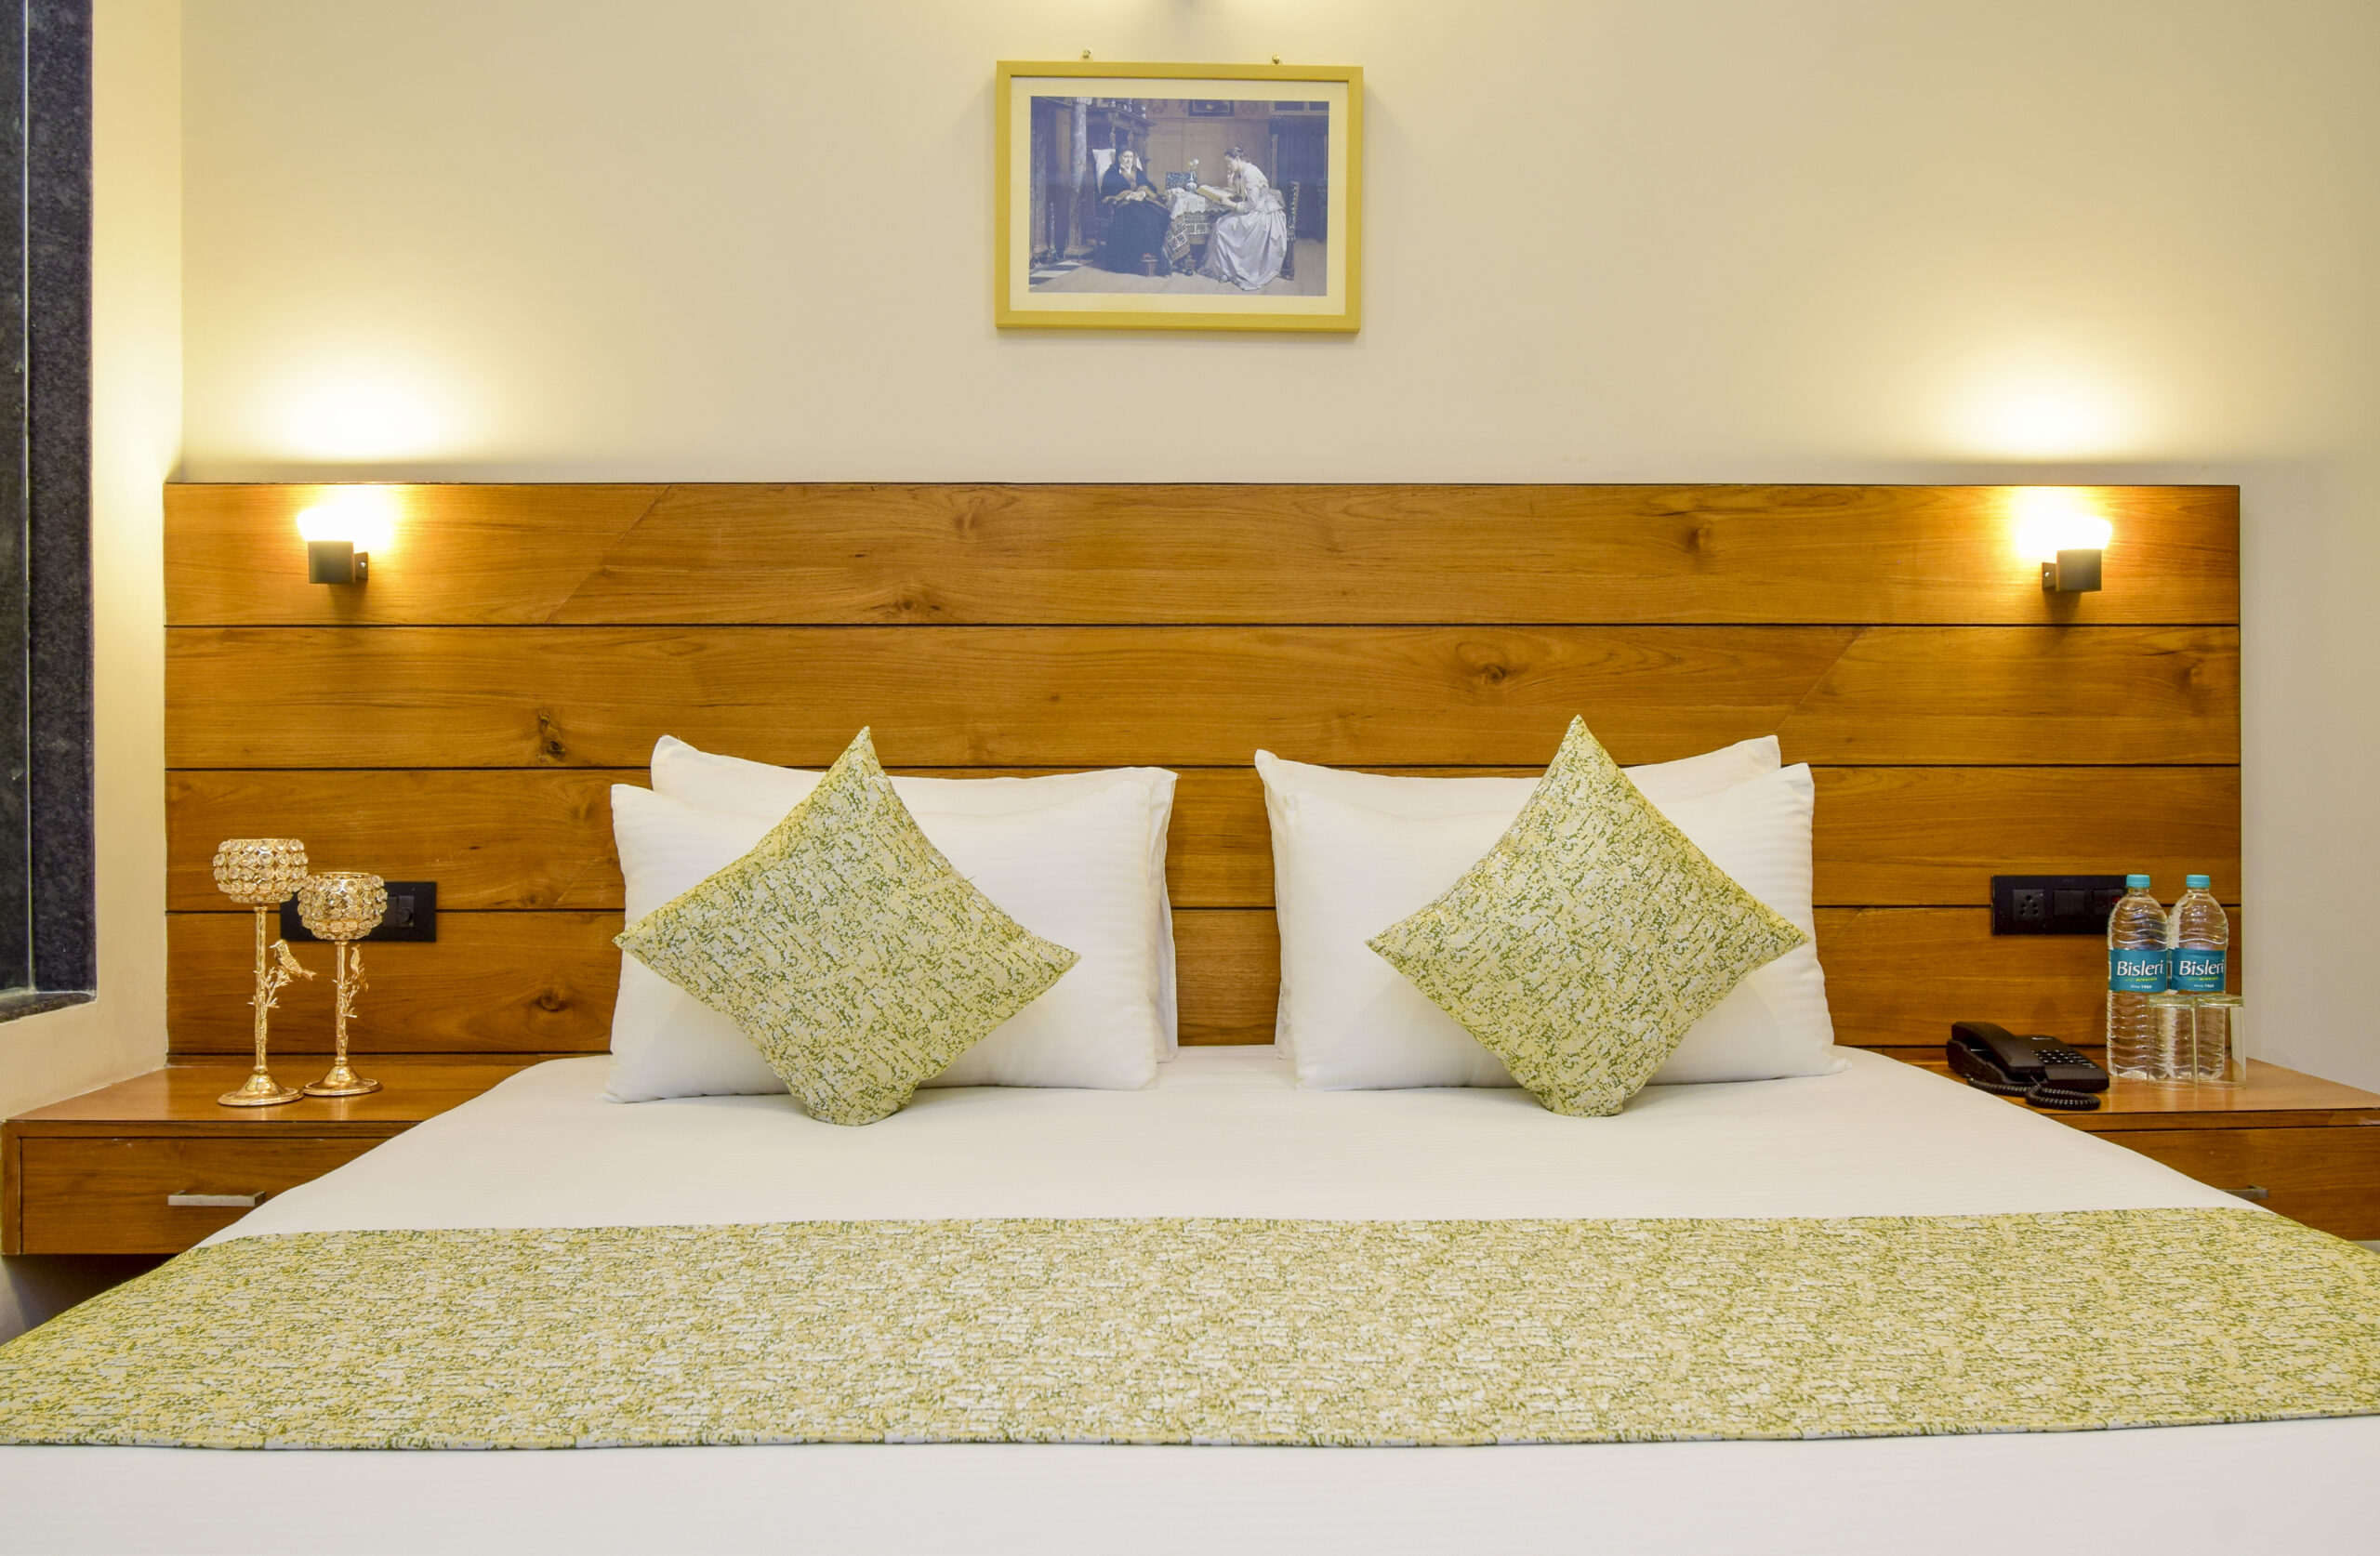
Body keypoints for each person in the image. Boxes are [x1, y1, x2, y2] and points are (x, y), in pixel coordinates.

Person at [1197, 148, 1289, 290]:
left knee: (1222, 226)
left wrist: (1231, 204)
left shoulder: (1251, 173)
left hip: (1263, 214)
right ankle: (1225, 269)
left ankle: (1228, 270)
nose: (1228, 165)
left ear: (1237, 159)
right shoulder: (1242, 172)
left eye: (1229, 162)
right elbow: (1238, 192)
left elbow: (1252, 204)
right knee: (1221, 222)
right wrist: (1230, 179)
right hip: (1255, 210)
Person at [1097, 149, 1171, 274]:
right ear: (1119, 158)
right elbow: (1108, 191)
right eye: (1126, 157)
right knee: (1141, 217)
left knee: (1160, 214)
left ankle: (1157, 253)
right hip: (1124, 204)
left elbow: (1149, 186)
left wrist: (1143, 193)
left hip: (1142, 201)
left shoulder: (1138, 172)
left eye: (1131, 157)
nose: (1129, 160)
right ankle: (1143, 252)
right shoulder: (1112, 173)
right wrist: (1128, 195)